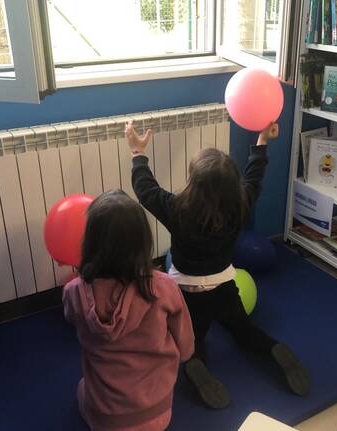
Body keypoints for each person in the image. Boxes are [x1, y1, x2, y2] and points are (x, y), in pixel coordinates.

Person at [127, 121, 310, 409]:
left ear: (192, 182)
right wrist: (262, 139)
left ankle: (195, 364)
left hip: (186, 294)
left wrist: (138, 152)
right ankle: (273, 347)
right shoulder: (240, 205)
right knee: (243, 330)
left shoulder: (177, 209)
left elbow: (145, 189)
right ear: (232, 186)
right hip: (224, 287)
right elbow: (254, 177)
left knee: (192, 340)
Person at [63, 190, 194, 430]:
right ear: (143, 241)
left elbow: (72, 319)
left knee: (83, 387)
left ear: (90, 242)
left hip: (105, 420)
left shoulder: (73, 292)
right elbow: (186, 348)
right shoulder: (164, 287)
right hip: (156, 414)